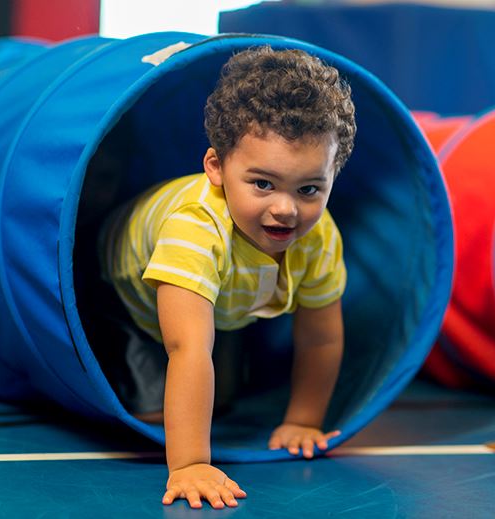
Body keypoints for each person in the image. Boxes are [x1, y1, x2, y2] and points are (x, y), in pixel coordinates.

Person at [96, 45, 356, 509]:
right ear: (216, 167)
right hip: (123, 296)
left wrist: (302, 419)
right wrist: (191, 463)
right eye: (262, 183)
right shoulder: (195, 229)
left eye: (309, 188)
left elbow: (320, 337)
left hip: (225, 304)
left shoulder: (318, 236)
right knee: (159, 409)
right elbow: (187, 348)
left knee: (223, 395)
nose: (285, 208)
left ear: (332, 178)